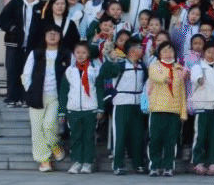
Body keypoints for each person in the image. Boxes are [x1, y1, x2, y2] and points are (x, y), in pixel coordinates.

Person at [22, 25, 69, 172]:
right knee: (37, 130)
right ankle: (44, 160)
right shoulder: (36, 53)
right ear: (44, 36)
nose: (52, 35)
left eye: (56, 33)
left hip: (56, 96)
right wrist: (31, 91)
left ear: (60, 36)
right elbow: (26, 75)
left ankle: (55, 145)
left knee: (49, 125)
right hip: (37, 96)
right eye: (49, 32)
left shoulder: (66, 54)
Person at [98, 40, 147, 175]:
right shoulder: (121, 64)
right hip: (121, 104)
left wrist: (145, 106)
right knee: (120, 135)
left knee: (138, 135)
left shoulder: (142, 66)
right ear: (131, 51)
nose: (142, 50)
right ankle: (118, 164)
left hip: (138, 104)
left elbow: (145, 86)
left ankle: (139, 164)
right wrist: (110, 59)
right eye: (139, 47)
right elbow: (105, 73)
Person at [0, 0, 44, 108]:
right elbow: (2, 19)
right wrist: (12, 28)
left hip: (32, 45)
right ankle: (12, 98)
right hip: (14, 43)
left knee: (29, 71)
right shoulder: (16, 2)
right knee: (13, 70)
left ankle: (26, 98)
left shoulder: (42, 5)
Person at [146, 43, 188, 177]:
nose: (168, 54)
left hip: (173, 110)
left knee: (171, 141)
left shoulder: (179, 69)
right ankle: (154, 165)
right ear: (159, 54)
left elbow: (182, 92)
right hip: (157, 109)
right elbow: (154, 76)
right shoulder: (155, 66)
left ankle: (169, 166)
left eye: (171, 51)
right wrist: (164, 79)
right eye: (164, 51)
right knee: (155, 139)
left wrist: (183, 112)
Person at [189, 44, 214, 176]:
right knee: (200, 136)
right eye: (208, 52)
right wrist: (200, 80)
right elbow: (195, 78)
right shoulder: (198, 67)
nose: (211, 55)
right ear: (204, 53)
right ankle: (198, 162)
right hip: (202, 106)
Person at [62, 43, 101, 174]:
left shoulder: (94, 70)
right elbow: (64, 91)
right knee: (76, 136)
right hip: (73, 109)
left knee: (89, 137)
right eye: (78, 52)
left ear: (88, 54)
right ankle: (77, 161)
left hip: (90, 108)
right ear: (74, 54)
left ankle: (88, 162)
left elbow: (99, 89)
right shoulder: (69, 71)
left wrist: (100, 108)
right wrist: (62, 111)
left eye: (83, 52)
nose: (80, 55)